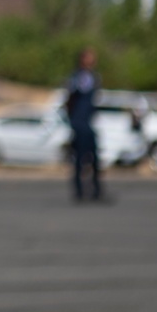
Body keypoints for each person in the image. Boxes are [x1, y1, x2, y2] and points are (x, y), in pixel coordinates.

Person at [65, 47, 103, 201]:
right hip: (79, 123)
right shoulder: (77, 77)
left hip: (88, 123)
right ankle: (79, 191)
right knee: (79, 158)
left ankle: (96, 190)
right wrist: (73, 121)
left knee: (94, 158)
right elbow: (70, 99)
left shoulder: (94, 77)